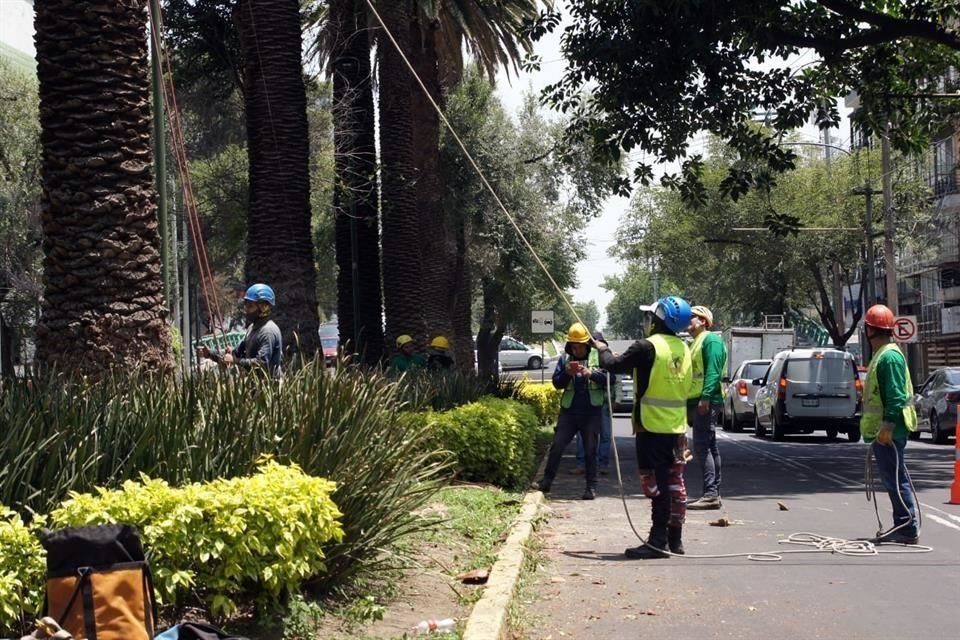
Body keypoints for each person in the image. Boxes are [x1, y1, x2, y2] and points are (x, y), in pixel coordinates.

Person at [595, 296, 693, 559]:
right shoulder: (683, 348)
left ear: (658, 318)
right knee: (676, 483)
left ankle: (657, 541)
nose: (648, 321)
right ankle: (675, 539)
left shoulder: (647, 347)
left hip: (652, 427)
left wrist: (602, 346)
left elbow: (612, 365)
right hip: (677, 428)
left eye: (651, 316)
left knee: (658, 484)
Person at [860, 304, 920, 545]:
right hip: (885, 430)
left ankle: (907, 527)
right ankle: (903, 524)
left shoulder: (889, 358)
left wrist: (887, 427)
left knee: (895, 479)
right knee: (893, 477)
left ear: (869, 330)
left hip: (890, 430)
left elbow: (895, 397)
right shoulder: (883, 355)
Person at [531, 322, 610, 500]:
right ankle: (546, 482)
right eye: (573, 346)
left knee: (590, 451)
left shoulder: (599, 356)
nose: (577, 350)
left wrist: (592, 374)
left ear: (586, 344)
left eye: (580, 346)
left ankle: (591, 487)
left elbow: (609, 379)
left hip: (591, 412)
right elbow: (557, 383)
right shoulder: (565, 359)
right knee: (557, 446)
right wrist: (567, 373)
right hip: (569, 411)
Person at [685, 305, 727, 510]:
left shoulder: (711, 340)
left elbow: (713, 372)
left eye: (692, 317)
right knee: (709, 446)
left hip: (706, 401)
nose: (688, 321)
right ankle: (713, 494)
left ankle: (710, 494)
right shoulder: (695, 343)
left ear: (703, 321)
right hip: (698, 400)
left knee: (702, 447)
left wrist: (705, 398)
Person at [197, 283, 283, 378]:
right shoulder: (252, 328)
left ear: (264, 307)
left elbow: (261, 363)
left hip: (270, 388)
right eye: (246, 306)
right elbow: (236, 353)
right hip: (256, 387)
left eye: (250, 306)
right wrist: (210, 353)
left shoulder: (268, 331)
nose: (246, 310)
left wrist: (234, 361)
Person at [574, 331, 615, 475]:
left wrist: (613, 400)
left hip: (602, 401)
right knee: (582, 435)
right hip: (585, 402)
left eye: (595, 342)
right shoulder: (581, 357)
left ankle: (602, 464)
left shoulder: (605, 358)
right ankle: (581, 463)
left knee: (605, 435)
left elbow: (611, 380)